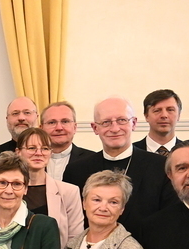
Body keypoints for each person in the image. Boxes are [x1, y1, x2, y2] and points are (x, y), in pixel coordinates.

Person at [63, 96, 176, 236]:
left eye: (122, 120)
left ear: (133, 123)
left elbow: (168, 219)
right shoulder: (76, 170)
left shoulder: (161, 166)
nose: (115, 129)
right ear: (95, 128)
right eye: (106, 122)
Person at [14, 127, 84, 249]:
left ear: (51, 153)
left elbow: (75, 241)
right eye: (31, 148)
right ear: (18, 152)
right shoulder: (5, 190)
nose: (38, 153)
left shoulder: (69, 192)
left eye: (45, 148)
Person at [41, 102, 92, 182]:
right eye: (52, 122)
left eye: (65, 121)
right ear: (41, 128)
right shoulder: (27, 160)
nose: (59, 128)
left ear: (75, 127)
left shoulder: (92, 160)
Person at [133, 89, 182, 156]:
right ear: (146, 116)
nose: (164, 115)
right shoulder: (131, 153)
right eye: (157, 110)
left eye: (170, 110)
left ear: (179, 115)